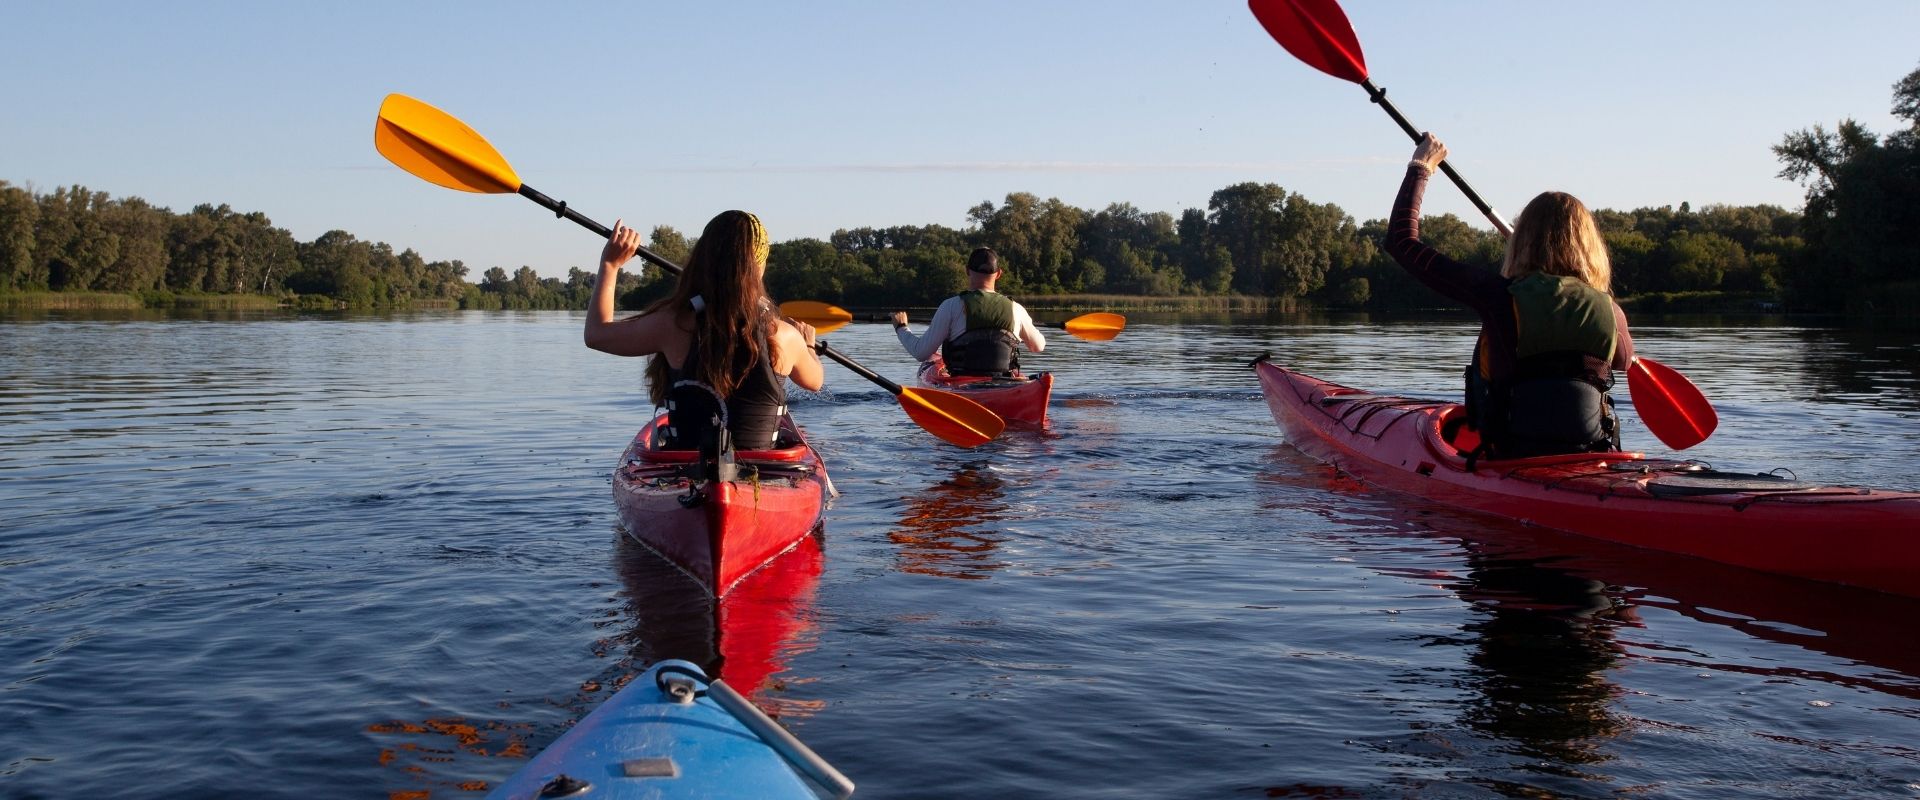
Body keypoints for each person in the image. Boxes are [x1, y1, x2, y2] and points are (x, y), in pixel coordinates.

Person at [1387, 134, 1635, 460]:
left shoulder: (1498, 296)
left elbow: (1402, 242)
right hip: (1593, 454)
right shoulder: (1611, 311)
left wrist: (1421, 167)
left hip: (1513, 454)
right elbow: (1624, 362)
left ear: (1521, 242)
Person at [584, 210, 823, 451]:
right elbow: (815, 382)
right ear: (760, 265)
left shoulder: (672, 324)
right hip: (764, 474)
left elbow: (596, 334)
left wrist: (610, 265)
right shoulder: (784, 335)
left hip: (685, 473)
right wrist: (808, 345)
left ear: (703, 259)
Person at [890, 247, 1046, 376]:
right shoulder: (1016, 309)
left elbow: (921, 353)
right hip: (1004, 384)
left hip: (961, 387)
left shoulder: (951, 306)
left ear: (967, 270)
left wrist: (901, 328)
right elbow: (1038, 346)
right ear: (998, 274)